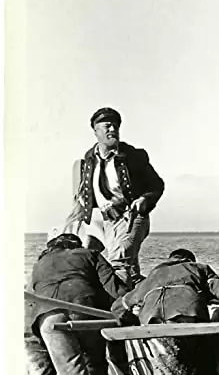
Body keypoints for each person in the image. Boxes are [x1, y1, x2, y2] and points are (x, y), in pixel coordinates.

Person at [29, 233, 127, 375]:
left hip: (48, 316)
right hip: (84, 307)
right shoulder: (90, 254)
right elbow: (113, 287)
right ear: (76, 245)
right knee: (95, 362)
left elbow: (33, 294)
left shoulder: (41, 262)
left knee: (70, 369)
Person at [65, 107, 165, 287]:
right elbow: (88, 191)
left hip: (131, 216)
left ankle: (117, 308)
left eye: (116, 126)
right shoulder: (89, 158)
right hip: (107, 220)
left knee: (120, 260)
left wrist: (144, 200)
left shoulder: (132, 156)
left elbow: (157, 185)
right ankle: (137, 299)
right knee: (128, 267)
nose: (113, 130)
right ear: (95, 131)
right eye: (107, 126)